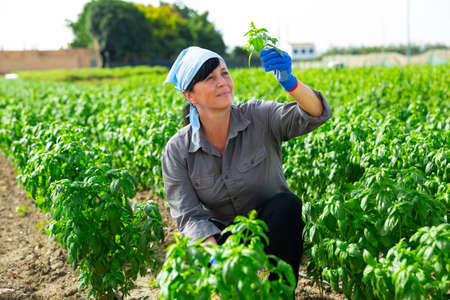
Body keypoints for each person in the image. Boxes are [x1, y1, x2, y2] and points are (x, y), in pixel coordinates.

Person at [162, 46, 332, 292]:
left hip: (269, 226)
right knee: (197, 254)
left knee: (287, 206)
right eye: (210, 78)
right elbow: (190, 217)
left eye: (224, 73)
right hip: (222, 239)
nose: (222, 83)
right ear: (190, 96)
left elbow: (315, 114)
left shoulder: (258, 116)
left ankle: (281, 294)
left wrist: (290, 83)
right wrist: (220, 261)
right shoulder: (177, 150)